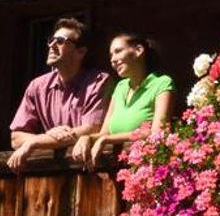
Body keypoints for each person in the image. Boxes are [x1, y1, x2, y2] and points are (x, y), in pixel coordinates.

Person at [7, 17, 110, 171]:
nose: (52, 45)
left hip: (89, 169)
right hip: (53, 171)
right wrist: (49, 135)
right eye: (51, 40)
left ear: (80, 52)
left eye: (61, 41)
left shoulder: (99, 81)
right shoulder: (37, 86)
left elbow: (91, 129)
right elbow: (16, 138)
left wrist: (34, 142)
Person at [70, 31, 174, 167]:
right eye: (111, 55)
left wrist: (107, 139)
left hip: (145, 167)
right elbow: (104, 133)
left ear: (138, 51)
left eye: (118, 51)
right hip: (114, 170)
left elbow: (157, 133)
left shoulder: (162, 83)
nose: (113, 59)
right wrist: (87, 138)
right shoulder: (120, 87)